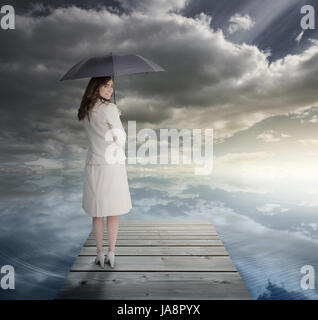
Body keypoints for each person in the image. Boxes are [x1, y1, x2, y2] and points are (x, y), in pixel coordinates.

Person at [77, 76, 132, 269]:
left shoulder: (85, 111)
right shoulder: (109, 109)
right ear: (96, 85)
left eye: (111, 86)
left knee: (98, 212)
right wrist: (116, 114)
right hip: (111, 165)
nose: (109, 89)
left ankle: (99, 253)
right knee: (113, 211)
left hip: (93, 164)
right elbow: (121, 140)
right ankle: (111, 252)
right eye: (106, 85)